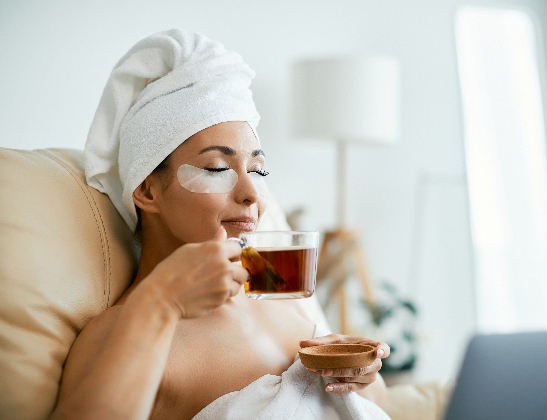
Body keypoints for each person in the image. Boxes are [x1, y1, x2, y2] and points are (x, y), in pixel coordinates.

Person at [50, 29, 390, 420]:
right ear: (147, 191)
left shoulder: (276, 288)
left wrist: (362, 379)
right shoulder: (121, 332)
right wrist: (160, 302)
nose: (253, 193)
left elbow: (364, 407)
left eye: (258, 170)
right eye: (216, 168)